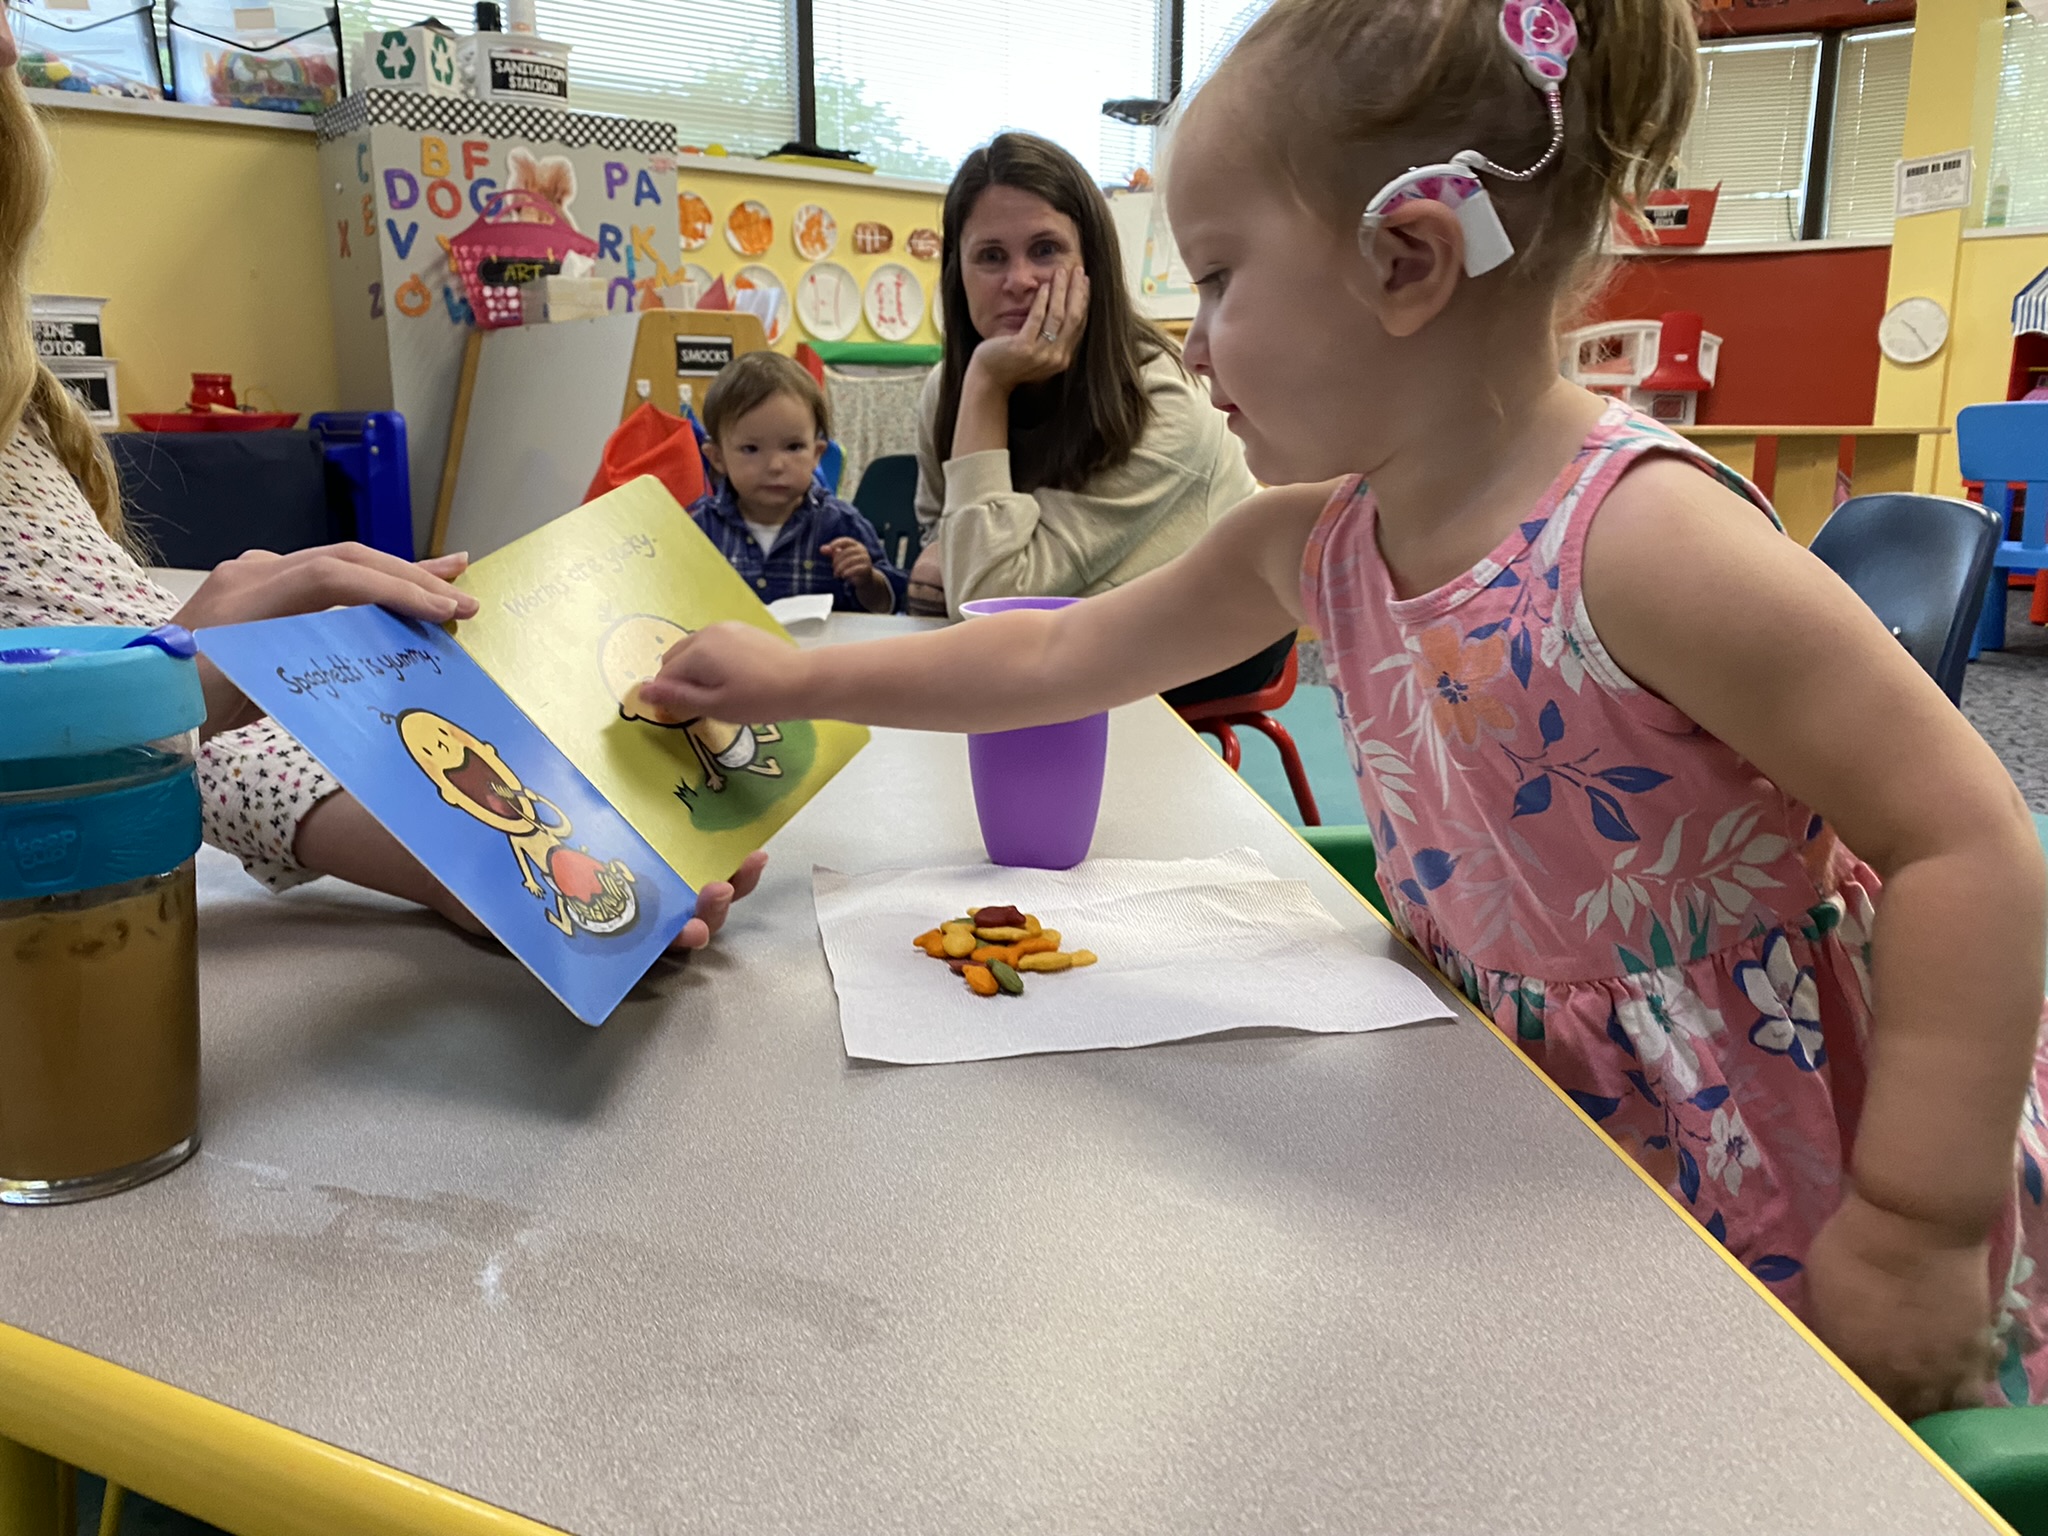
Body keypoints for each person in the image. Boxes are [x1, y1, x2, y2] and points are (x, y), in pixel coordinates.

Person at [645, 0, 2048, 1417]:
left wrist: (1920, 1226)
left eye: (1221, 277)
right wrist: (793, 673)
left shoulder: (1644, 543)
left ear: (1407, 261)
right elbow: (1043, 661)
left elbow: (1968, 842)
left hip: (1776, 1146)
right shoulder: (1313, 540)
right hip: (1523, 1128)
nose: (1192, 348)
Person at [0, 18, 759, 949]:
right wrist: (165, 686)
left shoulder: (22, 411)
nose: (7, 42)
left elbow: (193, 743)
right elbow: (131, 732)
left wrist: (449, 858)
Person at [909, 131, 1289, 705]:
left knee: (1012, 684)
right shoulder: (948, 390)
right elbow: (947, 546)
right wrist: (943, 555)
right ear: (957, 274)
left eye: (1045, 250)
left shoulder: (1166, 400)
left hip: (1211, 646)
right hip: (1070, 631)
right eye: (990, 256)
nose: (1019, 281)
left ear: (1091, 263)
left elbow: (987, 604)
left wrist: (987, 384)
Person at [691, 350, 904, 613]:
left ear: (817, 454)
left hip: (822, 653)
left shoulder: (841, 524)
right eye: (751, 449)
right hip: (728, 654)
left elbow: (888, 607)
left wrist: (868, 580)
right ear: (718, 457)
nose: (776, 465)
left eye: (793, 447)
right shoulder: (698, 531)